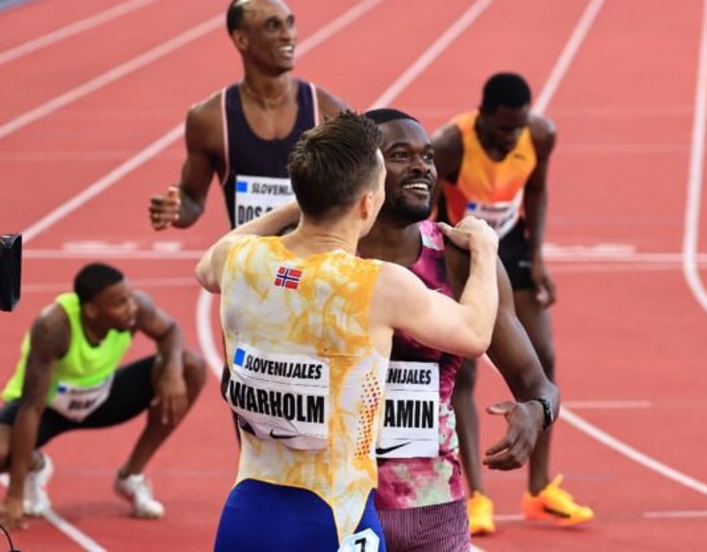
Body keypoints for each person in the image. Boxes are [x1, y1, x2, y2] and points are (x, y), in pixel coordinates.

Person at [229, 109, 560, 551]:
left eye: (427, 156)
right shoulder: (309, 261)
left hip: (430, 508)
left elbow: (537, 383)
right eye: (401, 155)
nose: (422, 165)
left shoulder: (464, 263)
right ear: (367, 176)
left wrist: (536, 412)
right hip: (328, 504)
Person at [432, 72, 593, 532]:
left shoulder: (541, 134)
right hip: (459, 250)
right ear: (481, 118)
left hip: (510, 244)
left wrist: (538, 256)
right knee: (462, 369)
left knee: (542, 358)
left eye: (516, 129)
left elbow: (537, 190)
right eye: (502, 129)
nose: (509, 139)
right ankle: (475, 494)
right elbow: (422, 206)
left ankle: (539, 488)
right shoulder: (450, 144)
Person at [0, 263, 207, 531]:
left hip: (101, 396)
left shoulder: (136, 311)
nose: (132, 307)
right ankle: (33, 466)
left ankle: (131, 476)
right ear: (92, 310)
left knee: (192, 366)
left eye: (130, 297)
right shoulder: (53, 327)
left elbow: (170, 331)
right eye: (120, 303)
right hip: (49, 407)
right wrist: (14, 497)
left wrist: (173, 371)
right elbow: (31, 408)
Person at [148, 0, 346, 231]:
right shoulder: (211, 119)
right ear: (241, 39)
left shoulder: (327, 111)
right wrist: (176, 208)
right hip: (246, 265)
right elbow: (192, 198)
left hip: (311, 266)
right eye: (273, 26)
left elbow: (356, 195)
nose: (289, 35)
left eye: (290, 23)